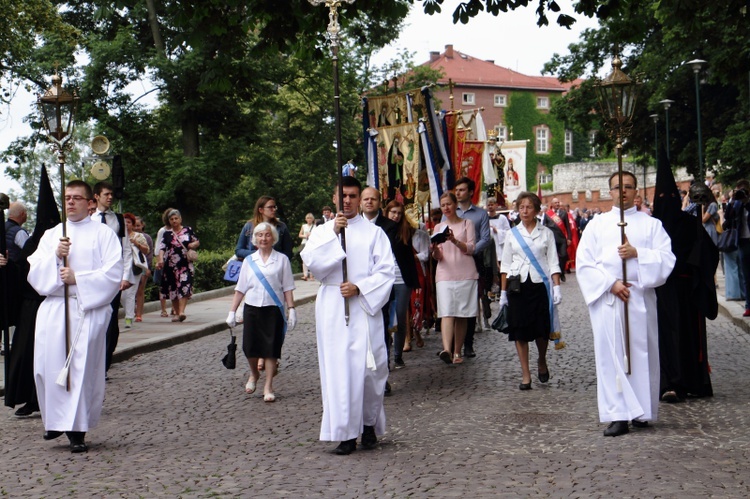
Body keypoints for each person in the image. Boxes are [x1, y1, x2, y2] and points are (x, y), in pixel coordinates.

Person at [300, 176, 395, 455]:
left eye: (353, 196)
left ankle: (367, 425)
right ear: (334, 199)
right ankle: (344, 433)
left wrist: (360, 287)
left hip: (364, 306)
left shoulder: (374, 233)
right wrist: (333, 235)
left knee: (370, 369)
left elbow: (387, 271)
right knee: (339, 370)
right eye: (343, 196)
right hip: (333, 305)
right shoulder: (322, 232)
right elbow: (314, 264)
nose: (348, 201)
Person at [577, 171, 675, 437]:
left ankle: (642, 411)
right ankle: (618, 414)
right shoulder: (597, 225)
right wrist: (611, 283)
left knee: (641, 355)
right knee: (612, 357)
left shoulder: (651, 225)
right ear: (610, 191)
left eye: (628, 187)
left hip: (639, 298)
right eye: (618, 187)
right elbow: (584, 262)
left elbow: (667, 259)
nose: (623, 191)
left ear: (636, 191)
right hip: (609, 299)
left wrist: (637, 253)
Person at [27, 180, 123, 453]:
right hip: (55, 307)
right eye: (67, 197)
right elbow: (34, 272)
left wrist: (78, 279)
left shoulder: (103, 234)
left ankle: (77, 429)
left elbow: (113, 273)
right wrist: (56, 258)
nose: (70, 202)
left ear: (89, 202)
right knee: (47, 367)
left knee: (79, 370)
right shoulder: (52, 235)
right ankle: (56, 420)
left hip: (86, 310)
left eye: (77, 198)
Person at [652, 154, 718, 403]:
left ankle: (691, 380)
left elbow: (710, 252)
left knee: (686, 336)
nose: (666, 203)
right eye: (662, 199)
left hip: (686, 290)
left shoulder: (691, 224)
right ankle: (668, 382)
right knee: (664, 337)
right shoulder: (651, 226)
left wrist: (698, 261)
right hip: (659, 290)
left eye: (671, 198)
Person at [226, 222, 296, 402]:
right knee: (249, 347)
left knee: (271, 349)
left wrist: (292, 309)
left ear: (273, 238)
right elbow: (240, 288)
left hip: (273, 309)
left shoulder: (282, 260)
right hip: (252, 307)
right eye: (259, 235)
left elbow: (288, 287)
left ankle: (268, 385)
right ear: (255, 239)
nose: (263, 238)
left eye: (267, 235)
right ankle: (254, 374)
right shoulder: (249, 261)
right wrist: (232, 311)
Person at [499, 192, 561, 390]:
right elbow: (505, 265)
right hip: (517, 286)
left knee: (541, 330)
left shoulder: (546, 233)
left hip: (540, 284)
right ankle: (526, 374)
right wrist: (502, 292)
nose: (524, 211)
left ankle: (541, 360)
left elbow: (553, 261)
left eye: (529, 207)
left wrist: (557, 286)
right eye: (521, 207)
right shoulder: (511, 234)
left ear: (536, 210)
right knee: (520, 331)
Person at [92, 181, 134, 374]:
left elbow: (126, 250)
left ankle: (104, 365)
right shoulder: (90, 219)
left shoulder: (117, 219)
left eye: (111, 195)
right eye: (106, 194)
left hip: (113, 278)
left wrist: (125, 275)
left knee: (111, 322)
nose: (110, 197)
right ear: (96, 196)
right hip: (93, 278)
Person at [432, 191, 478, 365]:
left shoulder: (467, 223)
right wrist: (434, 250)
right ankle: (447, 349)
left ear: (455, 205)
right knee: (446, 312)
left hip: (465, 272)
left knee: (462, 314)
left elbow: (471, 248)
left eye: (449, 204)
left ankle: (458, 351)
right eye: (443, 205)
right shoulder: (438, 228)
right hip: (445, 273)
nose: (446, 208)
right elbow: (439, 256)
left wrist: (454, 240)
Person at [454, 177, 491, 357]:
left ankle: (468, 343)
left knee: (469, 303)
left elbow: (485, 237)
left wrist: (472, 249)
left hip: (473, 259)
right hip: (452, 261)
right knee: (452, 303)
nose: (458, 193)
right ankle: (453, 344)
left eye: (462, 190)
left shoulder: (480, 214)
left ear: (470, 192)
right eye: (457, 190)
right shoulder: (452, 212)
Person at [383, 200, 420, 369]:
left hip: (401, 279)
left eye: (399, 213)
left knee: (400, 317)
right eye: (393, 213)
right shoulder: (380, 229)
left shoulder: (406, 231)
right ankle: (385, 356)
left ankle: (397, 355)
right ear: (387, 213)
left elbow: (409, 259)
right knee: (385, 319)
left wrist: (414, 281)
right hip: (384, 280)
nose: (396, 216)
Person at [156, 209, 199, 322]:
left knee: (185, 285)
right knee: (173, 288)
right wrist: (160, 259)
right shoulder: (167, 234)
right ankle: (176, 313)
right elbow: (161, 248)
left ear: (180, 219)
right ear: (169, 221)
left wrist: (191, 244)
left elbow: (197, 241)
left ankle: (181, 311)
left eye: (176, 218)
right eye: (171, 219)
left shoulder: (187, 230)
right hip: (170, 265)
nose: (174, 221)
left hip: (185, 264)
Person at [235, 196, 293, 262]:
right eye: (270, 207)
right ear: (261, 210)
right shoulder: (249, 226)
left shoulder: (281, 227)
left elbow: (288, 253)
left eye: (274, 207)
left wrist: (273, 256)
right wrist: (258, 254)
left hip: (274, 266)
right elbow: (238, 250)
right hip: (253, 266)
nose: (274, 209)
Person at [121, 213, 149, 328]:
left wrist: (136, 244)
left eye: (129, 222)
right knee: (122, 294)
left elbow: (146, 250)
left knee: (131, 293)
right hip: (121, 268)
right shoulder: (119, 236)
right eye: (124, 222)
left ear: (132, 224)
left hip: (135, 268)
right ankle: (130, 311)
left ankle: (128, 318)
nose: (126, 225)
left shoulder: (138, 236)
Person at [154, 208, 174, 318]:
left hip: (175, 261)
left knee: (175, 286)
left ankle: (174, 308)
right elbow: (158, 247)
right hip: (165, 261)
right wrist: (159, 261)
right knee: (163, 286)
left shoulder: (180, 230)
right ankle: (163, 309)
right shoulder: (163, 231)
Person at [134, 216, 154, 322]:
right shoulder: (128, 236)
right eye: (134, 225)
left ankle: (139, 314)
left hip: (143, 266)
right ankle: (131, 310)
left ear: (142, 226)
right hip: (131, 266)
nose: (136, 228)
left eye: (138, 225)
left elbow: (149, 254)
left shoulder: (147, 238)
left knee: (140, 290)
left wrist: (148, 268)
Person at [298, 213, 315, 281]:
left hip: (311, 243)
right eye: (308, 218)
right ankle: (305, 275)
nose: (309, 220)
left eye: (310, 218)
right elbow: (300, 235)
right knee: (304, 259)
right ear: (306, 219)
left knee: (311, 259)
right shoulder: (304, 226)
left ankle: (311, 275)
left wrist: (311, 235)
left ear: (312, 219)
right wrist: (305, 236)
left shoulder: (314, 226)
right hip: (304, 243)